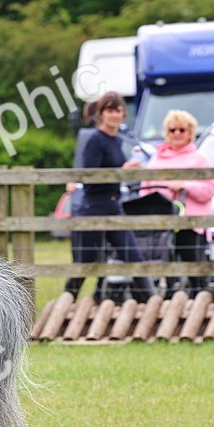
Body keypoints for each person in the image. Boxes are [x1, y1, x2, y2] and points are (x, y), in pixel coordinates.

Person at [63, 91, 157, 301]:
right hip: (93, 207)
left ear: (124, 114)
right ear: (100, 114)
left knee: (133, 257)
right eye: (109, 110)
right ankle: (66, 303)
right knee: (86, 262)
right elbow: (90, 177)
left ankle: (151, 304)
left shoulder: (116, 140)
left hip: (114, 206)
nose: (114, 114)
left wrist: (126, 173)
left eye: (118, 110)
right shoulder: (95, 139)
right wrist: (122, 171)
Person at [131, 109, 214, 296]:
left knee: (195, 271)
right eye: (172, 130)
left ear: (190, 132)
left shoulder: (200, 159)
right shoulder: (156, 159)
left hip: (190, 224)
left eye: (181, 130)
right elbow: (146, 189)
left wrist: (185, 185)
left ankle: (200, 304)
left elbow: (209, 190)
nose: (177, 134)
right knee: (166, 271)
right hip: (161, 225)